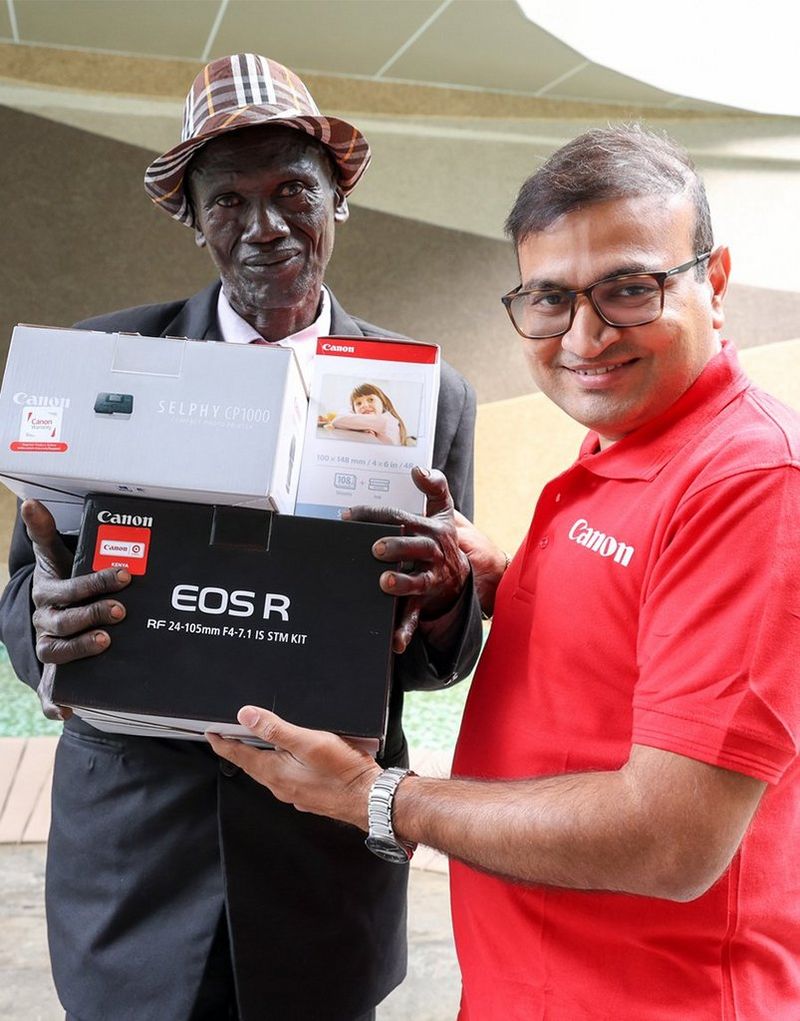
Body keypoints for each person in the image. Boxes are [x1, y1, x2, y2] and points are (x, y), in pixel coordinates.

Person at [208, 125, 800, 1020]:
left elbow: (673, 839)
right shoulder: (626, 448)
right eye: (550, 298)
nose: (587, 334)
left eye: (631, 288)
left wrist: (381, 798)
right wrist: (507, 578)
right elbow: (637, 626)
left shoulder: (751, 481)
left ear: (713, 285)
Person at [0, 54, 478, 1021]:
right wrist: (43, 618)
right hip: (135, 864)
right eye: (228, 201)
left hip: (323, 863)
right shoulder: (110, 365)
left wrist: (439, 601)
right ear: (191, 216)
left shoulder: (425, 396)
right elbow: (26, 593)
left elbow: (435, 659)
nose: (265, 228)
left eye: (293, 191)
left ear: (338, 196)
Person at [322, 382, 409, 445]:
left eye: (370, 400)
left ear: (383, 402)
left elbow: (338, 421)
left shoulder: (385, 421)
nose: (364, 405)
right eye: (358, 403)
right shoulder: (366, 424)